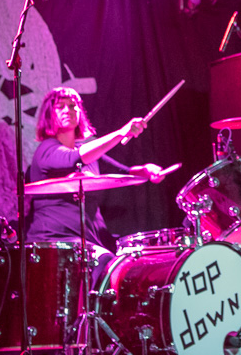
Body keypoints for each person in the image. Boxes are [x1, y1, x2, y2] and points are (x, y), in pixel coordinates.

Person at [26, 87, 165, 279]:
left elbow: (123, 172)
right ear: (49, 115)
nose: (68, 110)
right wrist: (121, 133)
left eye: (73, 106)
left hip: (88, 241)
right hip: (55, 241)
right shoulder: (46, 149)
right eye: (60, 107)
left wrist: (146, 171)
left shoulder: (87, 151)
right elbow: (75, 158)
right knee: (105, 264)